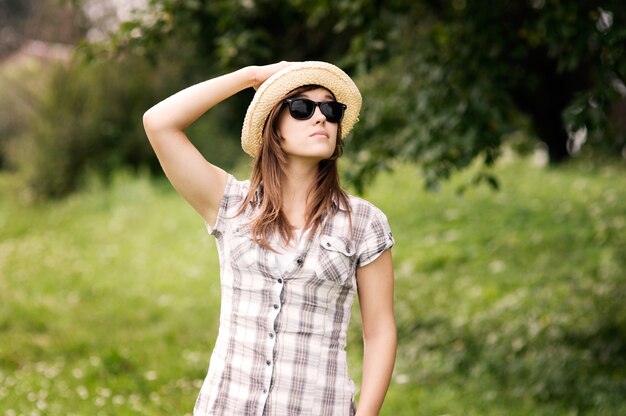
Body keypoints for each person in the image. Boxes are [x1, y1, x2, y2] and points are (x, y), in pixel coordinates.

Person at [142, 61, 396, 416]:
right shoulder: (230, 203)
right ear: (273, 129)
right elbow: (159, 123)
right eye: (302, 108)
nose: (321, 117)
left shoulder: (364, 222)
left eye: (330, 109)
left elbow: (380, 331)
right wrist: (251, 76)